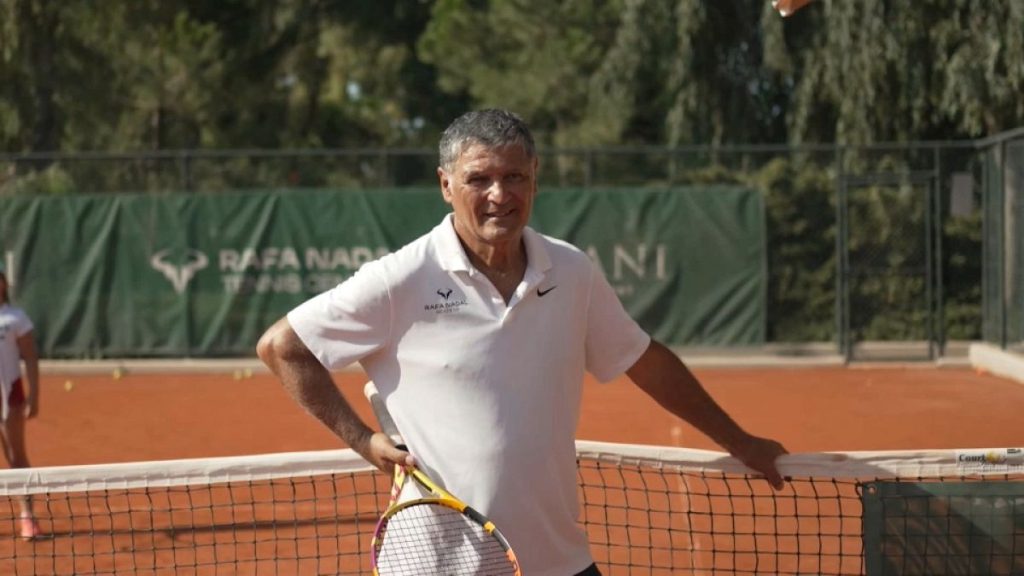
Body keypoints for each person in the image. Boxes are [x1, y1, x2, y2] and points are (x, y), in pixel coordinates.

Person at [257, 109, 787, 576]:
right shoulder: (401, 278)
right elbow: (282, 347)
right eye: (478, 178)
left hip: (560, 561)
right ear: (446, 185)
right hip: (436, 566)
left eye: (514, 176)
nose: (498, 194)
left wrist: (738, 439)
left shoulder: (572, 270)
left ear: (535, 179)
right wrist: (362, 440)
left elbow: (642, 359)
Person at [0, 262, 41, 540]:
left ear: (3, 283)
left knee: (16, 455)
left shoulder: (16, 317)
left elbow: (30, 357)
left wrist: (34, 395)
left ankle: (27, 516)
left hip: (10, 395)